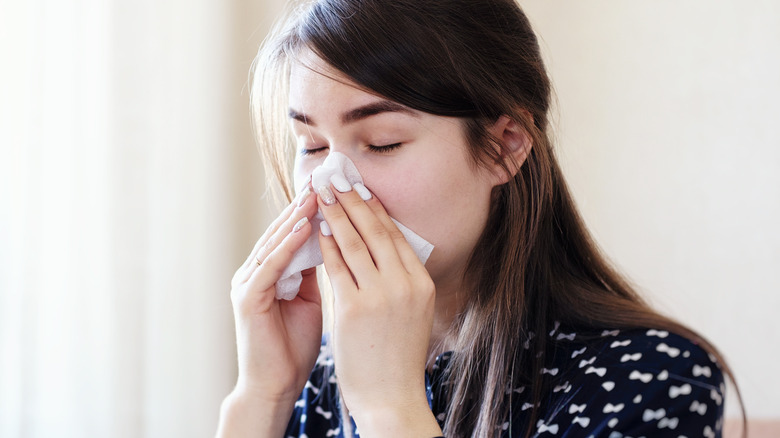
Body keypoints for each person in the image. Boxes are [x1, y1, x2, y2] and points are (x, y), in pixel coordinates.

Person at [216, 0, 744, 437]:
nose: (330, 185)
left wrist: (388, 408)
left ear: (503, 148)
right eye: (310, 145)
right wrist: (265, 393)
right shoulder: (323, 371)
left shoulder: (653, 380)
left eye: (383, 143)